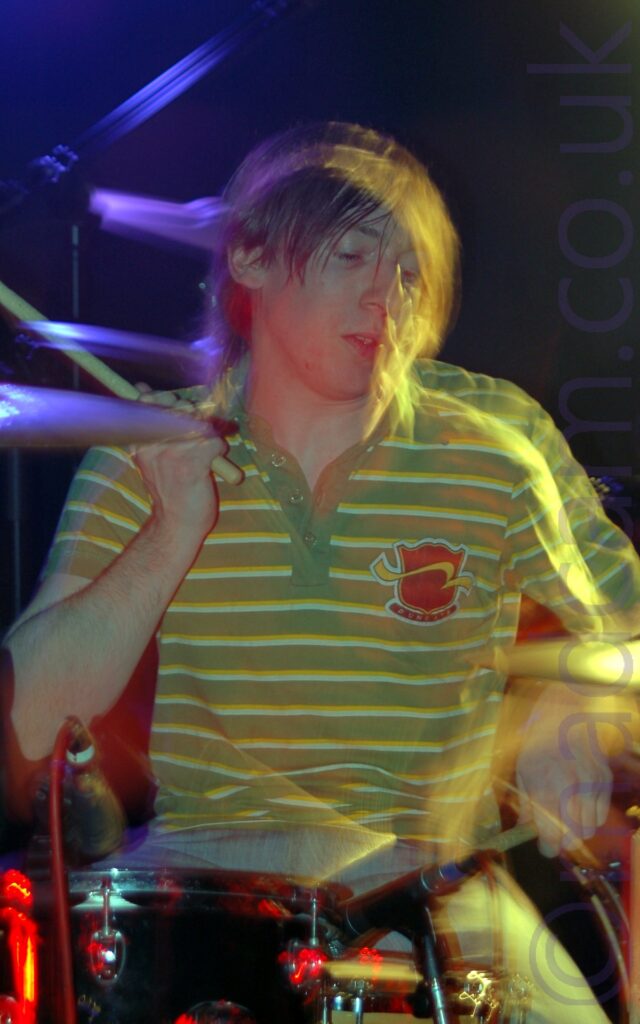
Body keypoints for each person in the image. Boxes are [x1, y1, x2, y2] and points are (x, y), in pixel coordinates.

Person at [4, 122, 640, 1021]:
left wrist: (582, 705)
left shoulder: (495, 441)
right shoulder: (148, 449)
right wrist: (172, 531)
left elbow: (627, 632)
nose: (389, 297)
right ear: (253, 261)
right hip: (199, 871)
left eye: (410, 272)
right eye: (352, 256)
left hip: (435, 882)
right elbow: (31, 723)